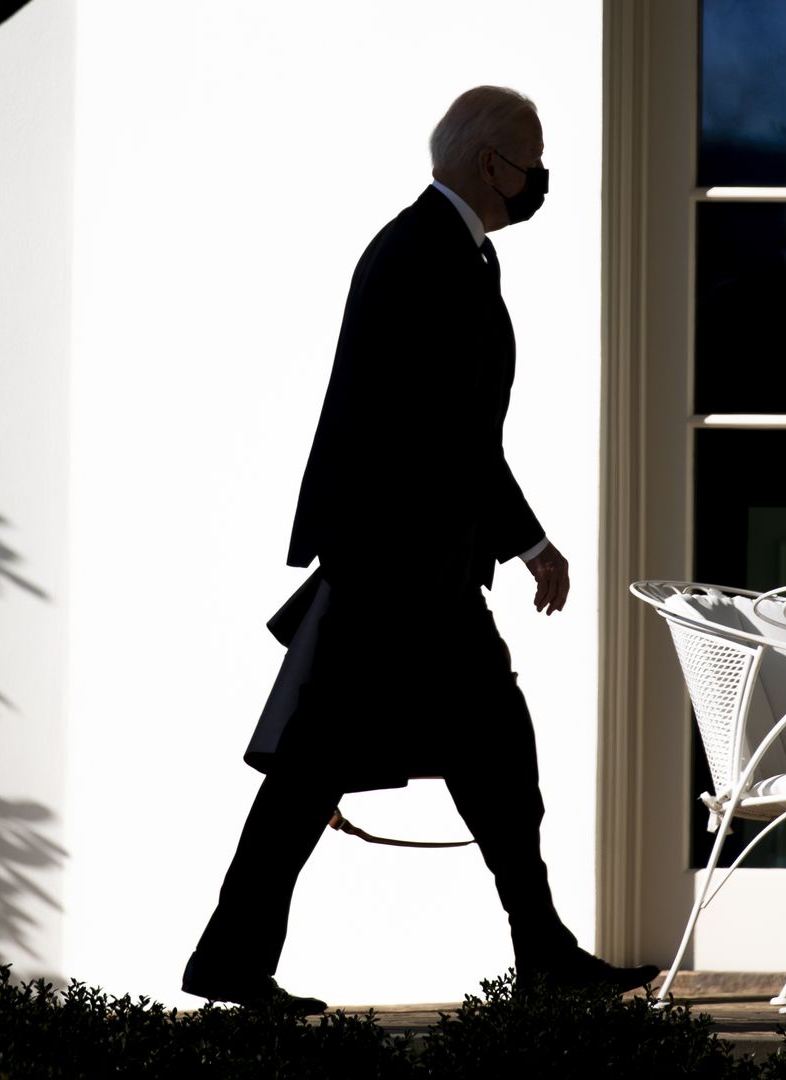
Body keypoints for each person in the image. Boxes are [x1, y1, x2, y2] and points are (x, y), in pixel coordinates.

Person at [182, 86, 659, 1014]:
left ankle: (544, 955)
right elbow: (453, 434)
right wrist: (530, 544)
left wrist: (518, 543)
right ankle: (234, 959)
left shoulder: (450, 254)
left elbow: (462, 433)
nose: (539, 181)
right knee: (327, 770)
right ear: (491, 165)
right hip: (395, 574)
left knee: (490, 758)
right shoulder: (424, 256)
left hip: (420, 571)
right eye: (532, 162)